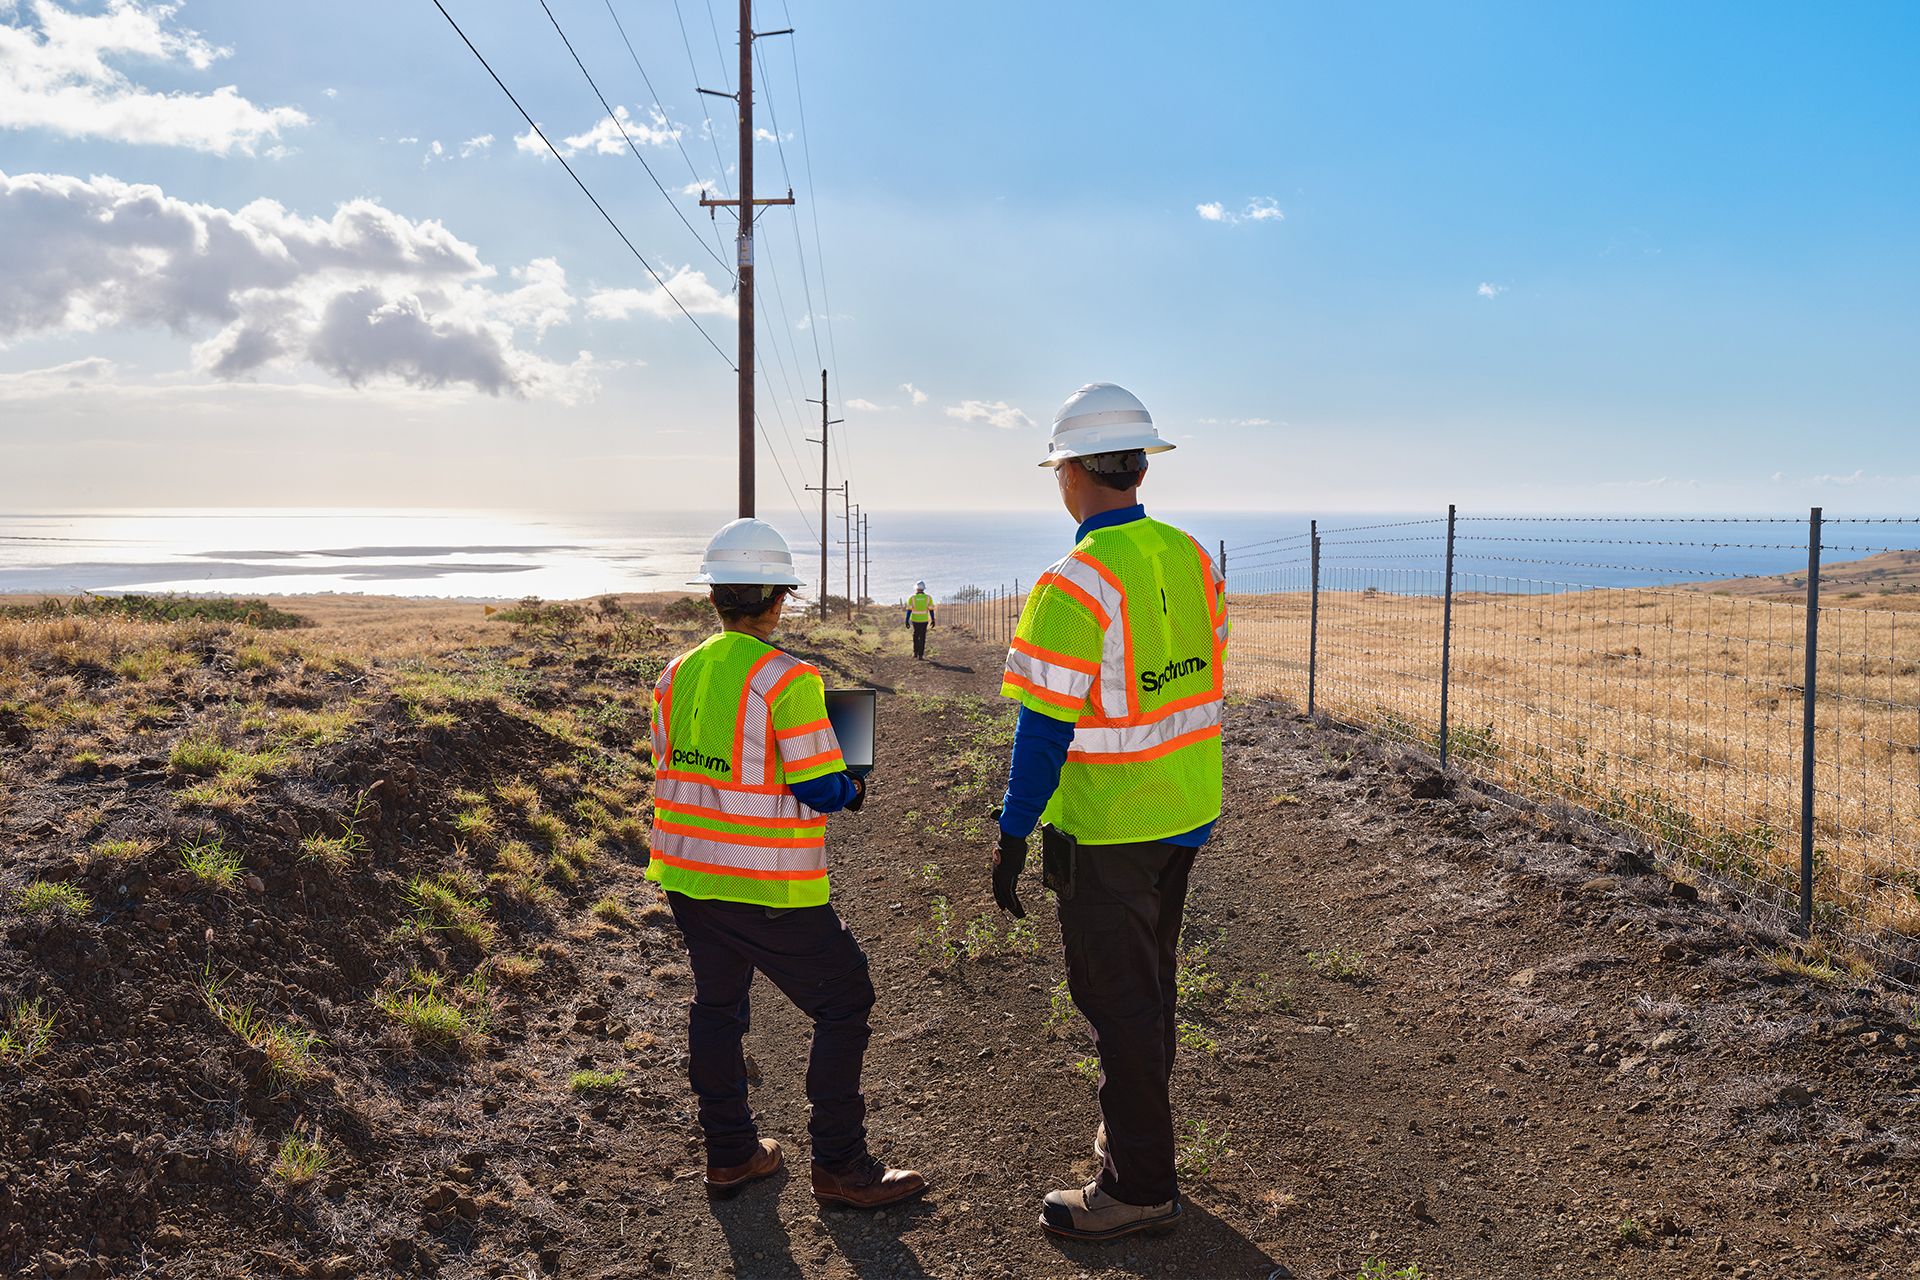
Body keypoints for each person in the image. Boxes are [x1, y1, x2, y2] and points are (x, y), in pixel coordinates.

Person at [987, 383, 1227, 1242]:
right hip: (1185, 812)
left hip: (1109, 828)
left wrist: (1013, 832)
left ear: (1074, 472)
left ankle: (1138, 1185)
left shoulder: (1073, 582)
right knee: (1149, 988)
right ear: (1136, 465)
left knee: (1118, 1000)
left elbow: (1043, 729)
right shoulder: (1192, 557)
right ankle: (1136, 1134)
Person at [647, 517, 926, 1210]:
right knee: (845, 999)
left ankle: (731, 1153)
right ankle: (839, 1165)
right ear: (778, 599)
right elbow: (818, 786)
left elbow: (673, 763)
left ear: (714, 596)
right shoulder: (789, 679)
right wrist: (851, 785)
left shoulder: (675, 673)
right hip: (764, 883)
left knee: (717, 1005)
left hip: (688, 875)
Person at [905, 581, 936, 660]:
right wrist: (933, 619)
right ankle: (921, 655)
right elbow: (931, 610)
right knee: (922, 637)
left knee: (915, 635)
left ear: (916, 588)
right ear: (923, 589)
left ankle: (915, 652)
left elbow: (909, 610)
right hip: (924, 620)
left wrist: (906, 620)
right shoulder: (928, 598)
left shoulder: (912, 598)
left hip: (915, 620)